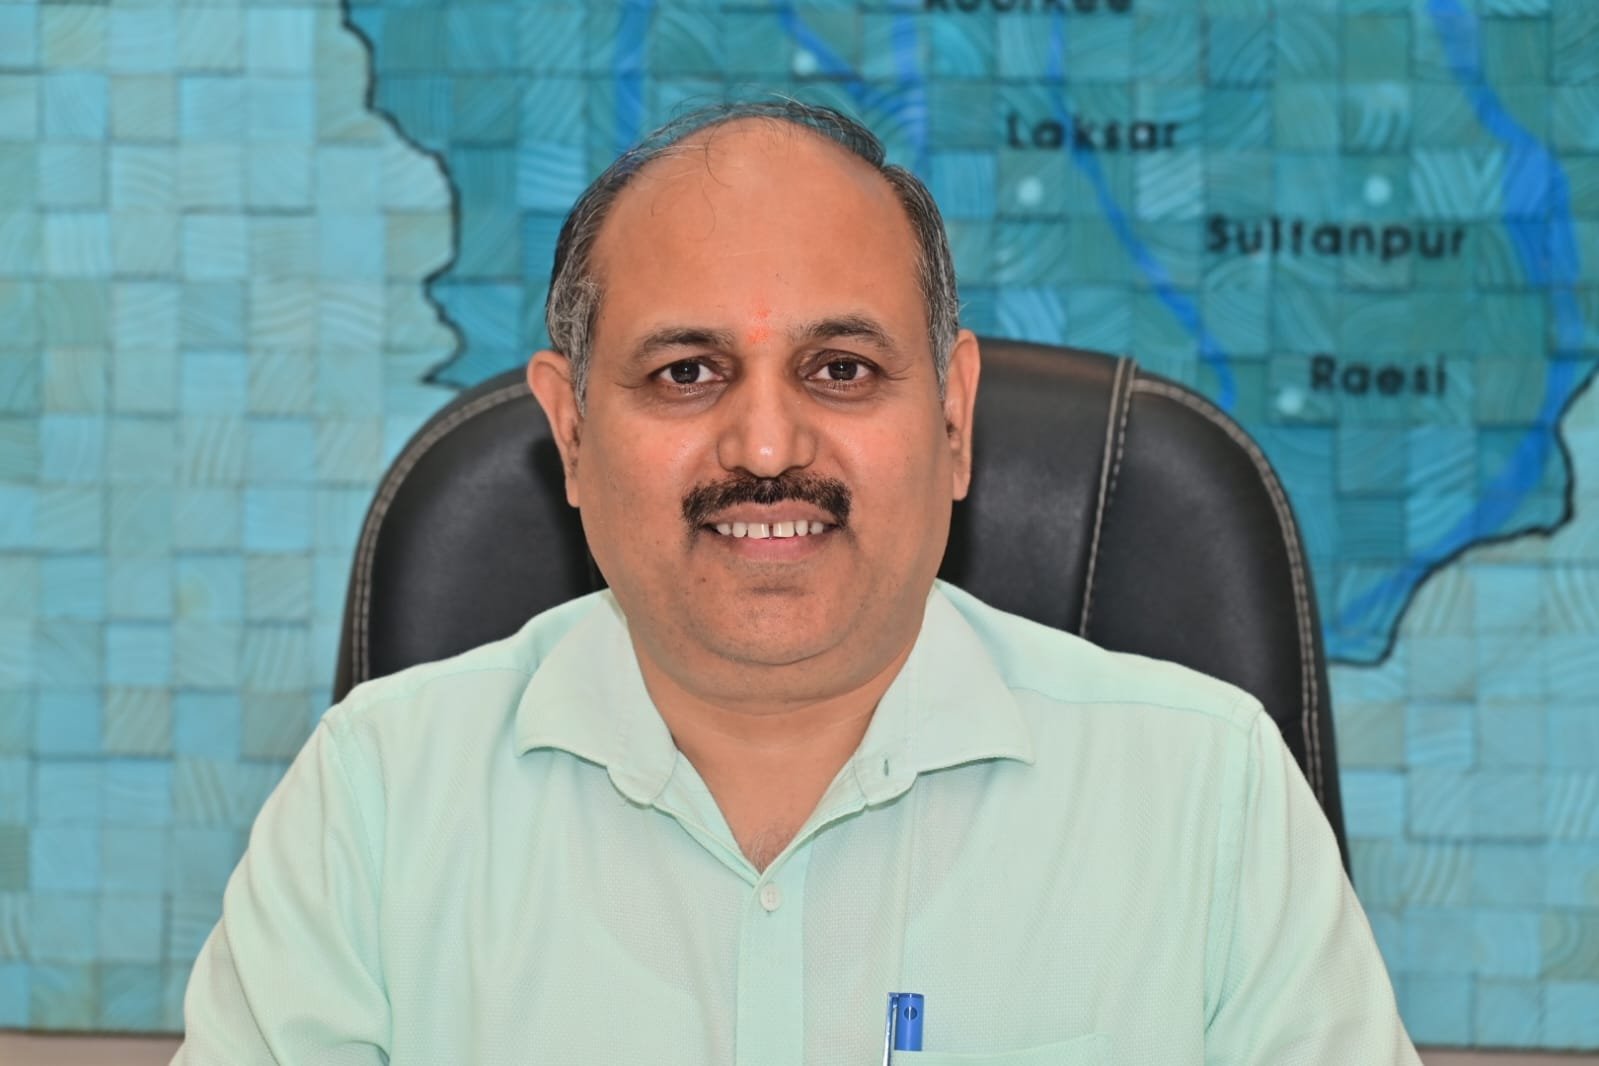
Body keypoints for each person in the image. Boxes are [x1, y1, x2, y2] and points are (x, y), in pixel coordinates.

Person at [174, 100, 1421, 1064]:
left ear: (953, 419)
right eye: (686, 373)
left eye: (841, 370)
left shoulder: (1204, 794)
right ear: (571, 431)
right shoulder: (379, 799)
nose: (767, 448)